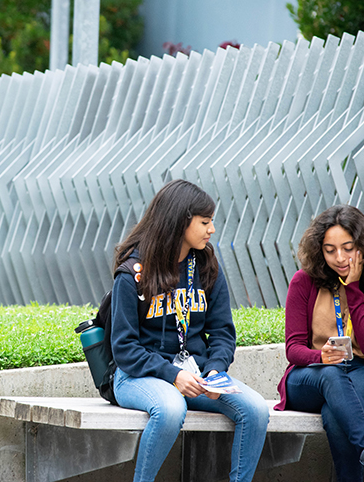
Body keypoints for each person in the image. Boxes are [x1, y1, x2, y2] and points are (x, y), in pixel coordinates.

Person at [110, 179, 269, 482]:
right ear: (180, 221)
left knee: (256, 410)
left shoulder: (206, 266)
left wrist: (214, 371)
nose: (211, 230)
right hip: (138, 375)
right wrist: (173, 375)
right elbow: (125, 347)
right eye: (205, 222)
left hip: (196, 375)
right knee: (170, 409)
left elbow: (222, 332)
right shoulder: (134, 272)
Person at [275, 204, 364, 482]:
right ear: (319, 250)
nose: (340, 257)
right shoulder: (304, 281)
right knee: (332, 376)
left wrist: (353, 288)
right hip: (312, 373)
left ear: (363, 245)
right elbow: (293, 349)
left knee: (334, 413)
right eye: (330, 250)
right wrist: (319, 357)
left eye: (348, 248)